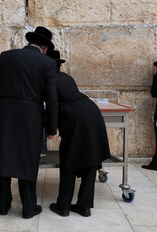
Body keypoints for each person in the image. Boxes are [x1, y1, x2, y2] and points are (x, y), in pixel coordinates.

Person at [0, 27, 58, 219]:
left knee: (5, 158)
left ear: (29, 42)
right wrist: (51, 128)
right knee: (27, 160)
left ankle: (3, 206)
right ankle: (28, 208)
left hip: (6, 115)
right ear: (45, 48)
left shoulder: (7, 56)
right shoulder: (47, 63)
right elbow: (52, 98)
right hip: (32, 117)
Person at [47, 50, 111, 217]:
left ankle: (63, 206)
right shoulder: (67, 77)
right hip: (91, 112)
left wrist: (50, 129)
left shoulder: (48, 79)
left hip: (76, 117)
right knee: (90, 157)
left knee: (69, 157)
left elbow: (52, 106)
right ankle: (84, 206)